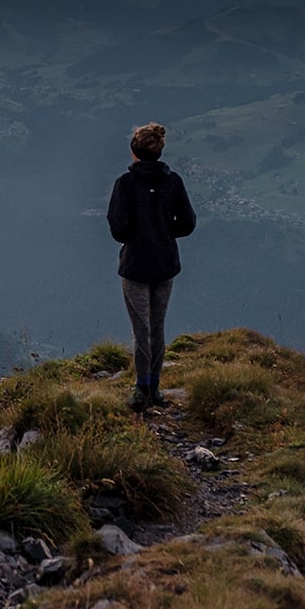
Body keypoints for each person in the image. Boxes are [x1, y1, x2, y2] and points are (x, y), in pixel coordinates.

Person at [106, 122, 196, 411]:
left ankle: (141, 388)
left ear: (134, 152)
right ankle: (155, 388)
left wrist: (138, 233)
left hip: (135, 265)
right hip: (165, 263)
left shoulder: (125, 184)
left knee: (140, 329)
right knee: (158, 327)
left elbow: (118, 229)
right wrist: (163, 232)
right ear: (159, 151)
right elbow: (187, 223)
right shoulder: (174, 181)